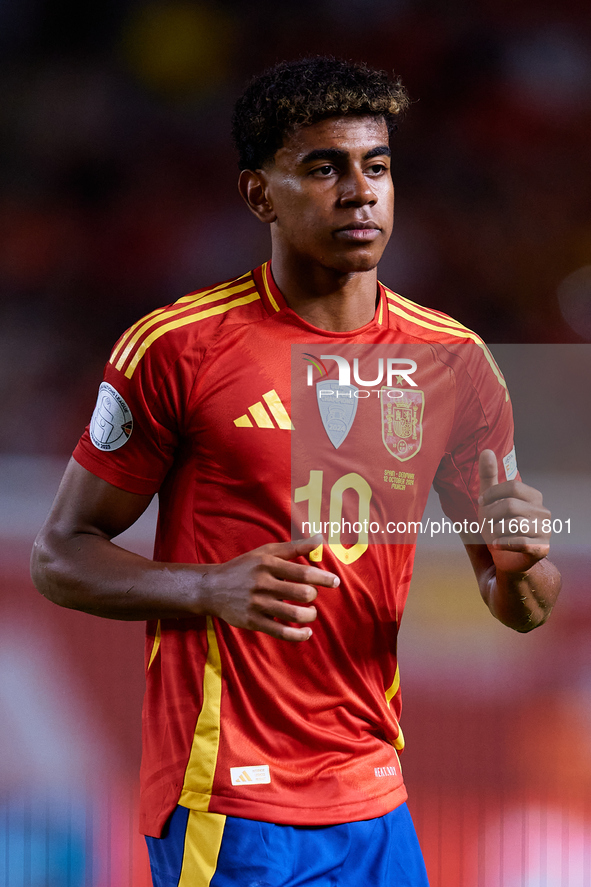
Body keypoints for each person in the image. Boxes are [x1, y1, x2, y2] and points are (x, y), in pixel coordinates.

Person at [31, 57, 561, 886]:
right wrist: (206, 588)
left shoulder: (452, 361)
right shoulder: (178, 347)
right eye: (325, 168)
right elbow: (59, 552)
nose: (360, 191)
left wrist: (524, 566)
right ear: (258, 195)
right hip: (231, 799)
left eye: (376, 167)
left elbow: (518, 605)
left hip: (376, 799)